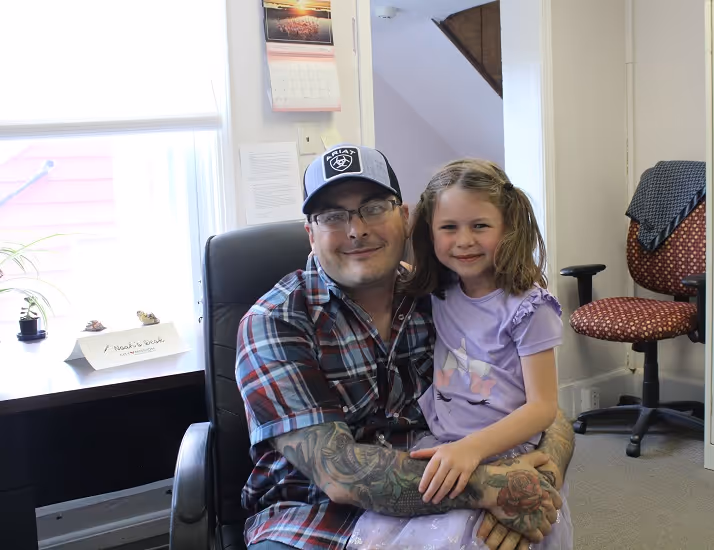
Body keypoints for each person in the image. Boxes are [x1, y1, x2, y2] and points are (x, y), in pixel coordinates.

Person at [235, 144, 575, 550]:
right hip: (311, 513)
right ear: (311, 233)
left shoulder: (442, 297)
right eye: (332, 217)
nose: (357, 229)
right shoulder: (276, 321)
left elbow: (540, 405)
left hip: (444, 481)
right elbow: (340, 473)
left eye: (374, 207)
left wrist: (538, 473)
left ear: (405, 217)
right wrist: (497, 487)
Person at [345, 159, 572, 550]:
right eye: (448, 228)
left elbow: (543, 408)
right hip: (443, 443)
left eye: (480, 226)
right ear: (429, 235)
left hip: (501, 451)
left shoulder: (529, 309)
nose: (464, 241)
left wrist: (473, 449)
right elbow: (382, 267)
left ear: (508, 227)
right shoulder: (438, 290)